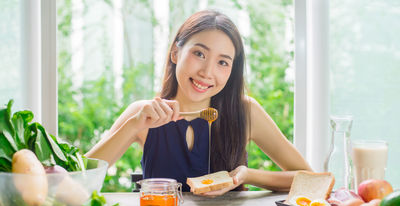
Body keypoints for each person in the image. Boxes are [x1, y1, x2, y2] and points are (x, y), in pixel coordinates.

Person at [85, 10, 312, 196]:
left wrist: (247, 175)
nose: (207, 72)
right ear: (175, 53)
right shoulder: (143, 114)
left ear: (232, 71)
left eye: (222, 62)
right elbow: (78, 181)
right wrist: (134, 125)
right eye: (199, 54)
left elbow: (309, 179)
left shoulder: (245, 112)